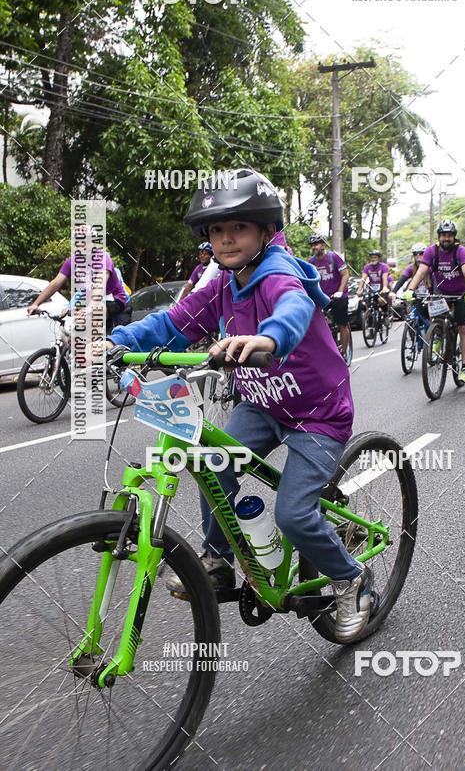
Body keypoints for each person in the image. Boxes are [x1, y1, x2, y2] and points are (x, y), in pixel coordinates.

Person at [101, 167, 373, 643]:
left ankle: (351, 578)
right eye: (217, 230)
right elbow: (174, 321)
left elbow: (293, 307)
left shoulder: (277, 272)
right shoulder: (223, 285)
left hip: (317, 416)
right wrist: (114, 340)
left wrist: (268, 337)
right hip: (262, 406)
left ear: (266, 231)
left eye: (239, 228)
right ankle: (220, 560)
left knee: (293, 513)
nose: (226, 240)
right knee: (211, 462)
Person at [402, 220, 465, 383]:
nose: (446, 238)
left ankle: (464, 367)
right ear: (439, 236)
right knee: (436, 318)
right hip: (442, 293)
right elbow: (421, 271)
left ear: (454, 237)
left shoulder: (461, 251)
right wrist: (410, 289)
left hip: (462, 294)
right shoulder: (431, 251)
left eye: (449, 235)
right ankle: (438, 335)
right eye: (443, 235)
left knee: (463, 328)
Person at [27, 232, 130, 334]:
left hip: (113, 299)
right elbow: (55, 283)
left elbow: (99, 286)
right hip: (90, 301)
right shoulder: (72, 261)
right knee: (73, 332)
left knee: (92, 317)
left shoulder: (102, 258)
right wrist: (36, 304)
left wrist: (90, 308)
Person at [308, 234, 350, 357]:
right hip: (322, 298)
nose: (314, 247)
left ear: (324, 244)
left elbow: (345, 274)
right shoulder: (311, 262)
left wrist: (340, 291)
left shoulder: (334, 257)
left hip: (338, 296)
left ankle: (344, 352)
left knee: (342, 324)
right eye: (312, 246)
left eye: (316, 244)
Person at [393, 243, 431, 325]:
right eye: (415, 254)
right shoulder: (410, 268)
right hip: (416, 297)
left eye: (421, 253)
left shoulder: (430, 267)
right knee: (412, 316)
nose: (418, 256)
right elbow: (402, 279)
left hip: (429, 297)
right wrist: (393, 291)